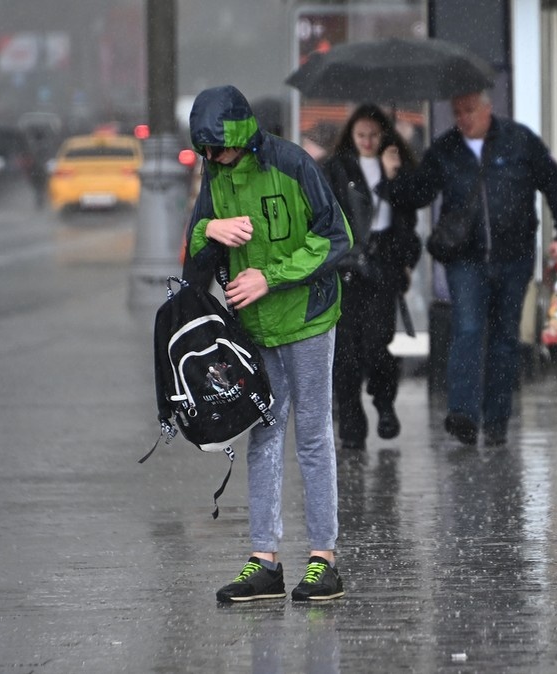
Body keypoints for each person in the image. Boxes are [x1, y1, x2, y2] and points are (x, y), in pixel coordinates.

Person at [184, 85, 352, 603]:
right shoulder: (214, 179)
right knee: (263, 436)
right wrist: (210, 228)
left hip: (307, 317)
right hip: (254, 329)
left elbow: (336, 237)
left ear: (240, 135)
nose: (214, 159)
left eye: (220, 148)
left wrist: (268, 277)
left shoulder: (292, 164)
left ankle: (324, 558)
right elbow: (191, 266)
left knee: (313, 436)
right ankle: (265, 560)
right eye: (205, 151)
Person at [383, 90, 557, 446]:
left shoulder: (518, 141)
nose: (463, 118)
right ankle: (464, 413)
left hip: (514, 255)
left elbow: (553, 183)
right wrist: (394, 177)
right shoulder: (446, 149)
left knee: (504, 337)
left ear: (488, 108)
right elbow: (419, 193)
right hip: (465, 257)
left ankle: (498, 418)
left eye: (470, 110)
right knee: (468, 329)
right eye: (457, 111)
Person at [322, 104, 422, 451]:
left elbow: (408, 219)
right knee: (345, 351)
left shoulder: (396, 165)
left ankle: (383, 401)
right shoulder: (336, 169)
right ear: (351, 135)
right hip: (346, 268)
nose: (367, 141)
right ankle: (351, 420)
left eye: (373, 135)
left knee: (377, 345)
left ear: (384, 135)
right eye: (361, 135)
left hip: (383, 267)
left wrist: (393, 179)